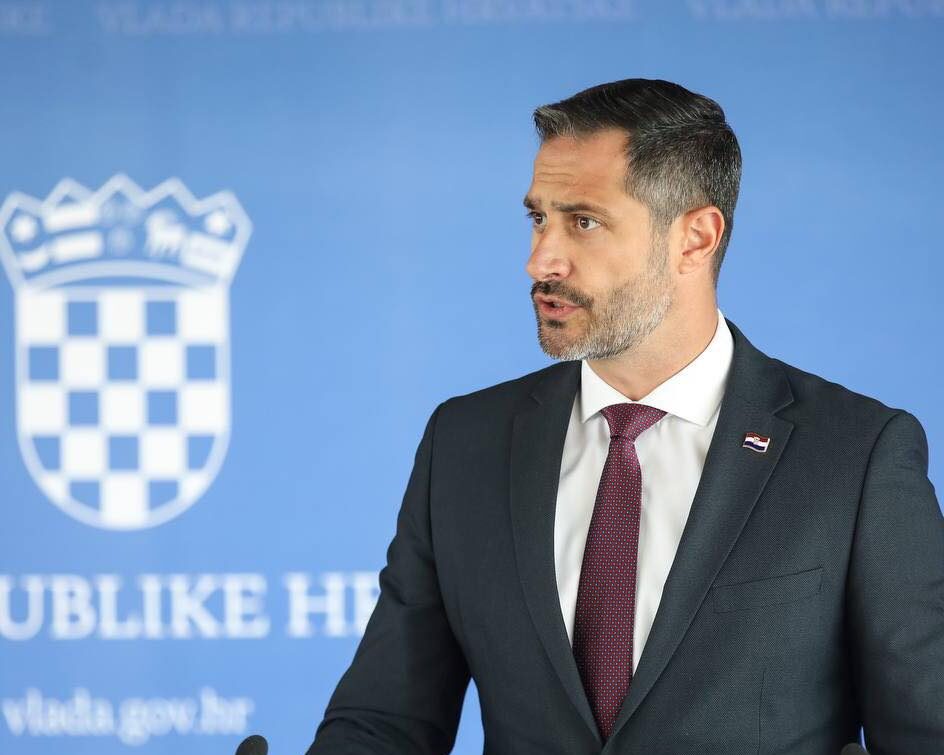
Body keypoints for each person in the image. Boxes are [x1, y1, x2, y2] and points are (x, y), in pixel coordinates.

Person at [305, 78, 944, 754]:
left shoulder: (855, 454)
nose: (540, 260)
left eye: (583, 221)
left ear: (695, 238)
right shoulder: (465, 443)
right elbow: (383, 723)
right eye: (538, 218)